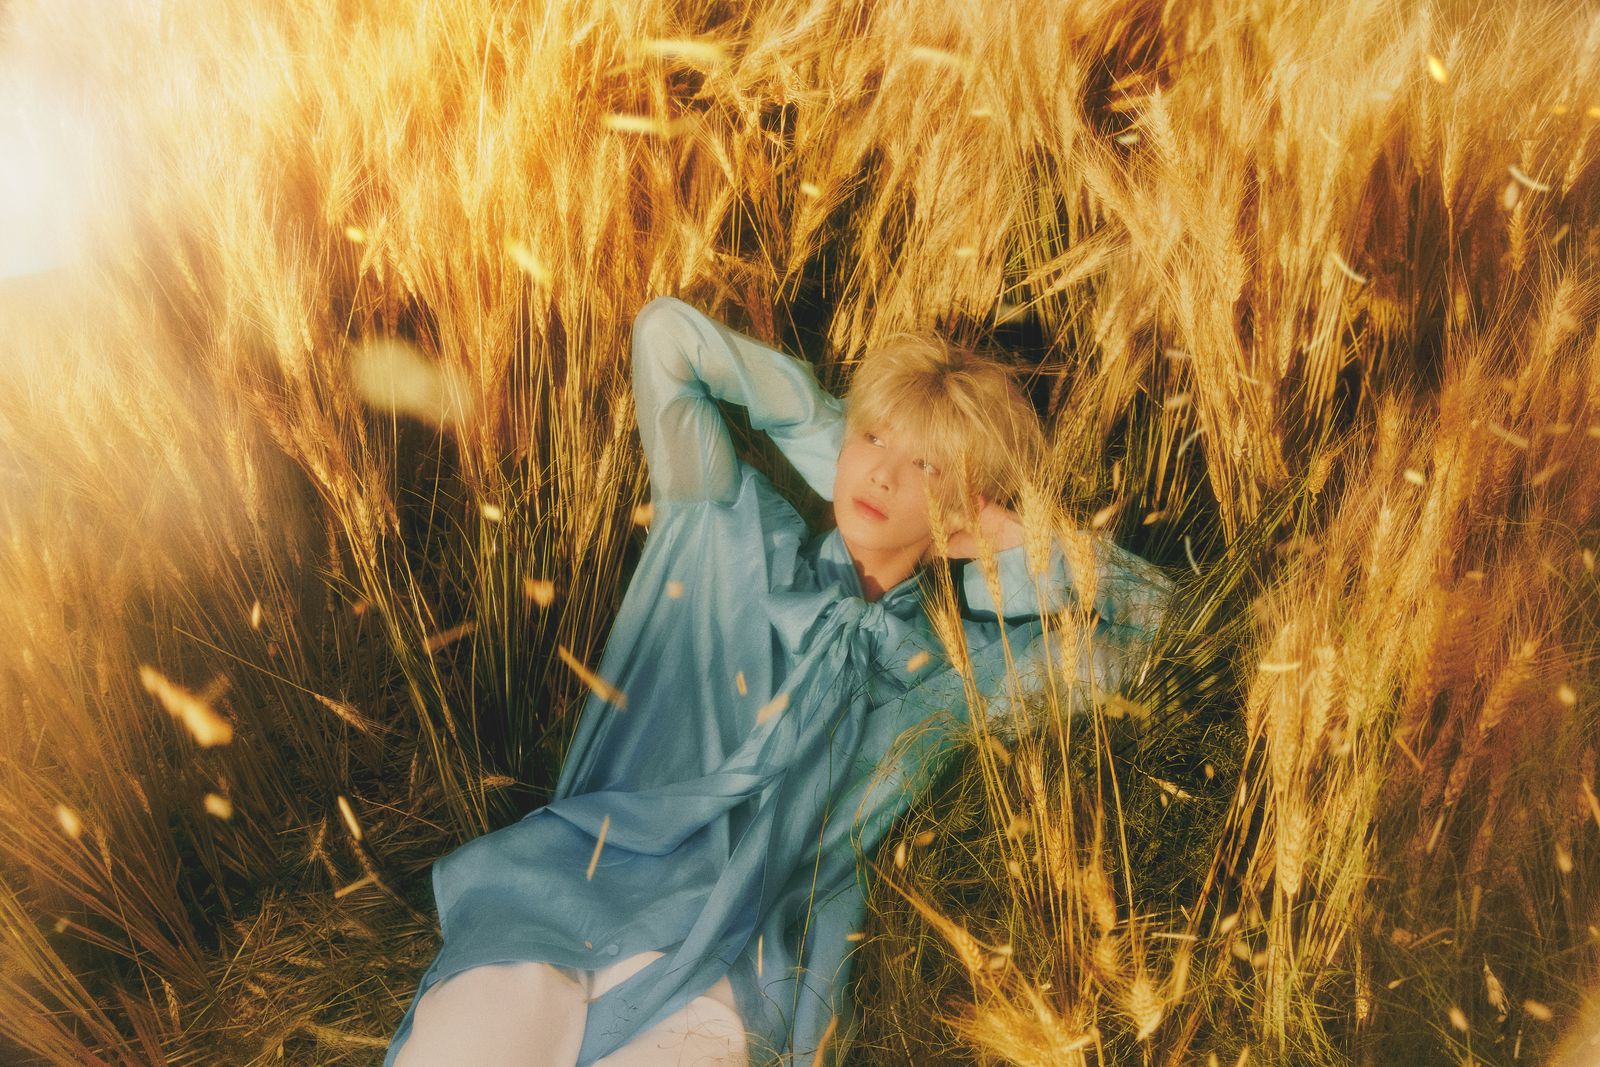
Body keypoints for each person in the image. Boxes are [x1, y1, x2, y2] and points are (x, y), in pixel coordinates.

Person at [383, 295, 1175, 1066]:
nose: (887, 476)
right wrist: (843, 437)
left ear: (964, 510)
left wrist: (1005, 536)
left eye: (927, 466)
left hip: (743, 958)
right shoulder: (728, 528)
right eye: (874, 440)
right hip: (582, 888)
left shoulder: (959, 674)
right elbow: (668, 337)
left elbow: (1160, 622)